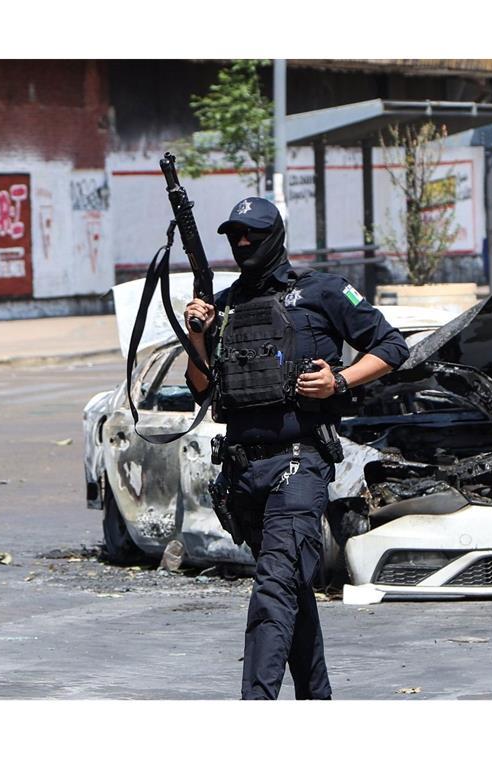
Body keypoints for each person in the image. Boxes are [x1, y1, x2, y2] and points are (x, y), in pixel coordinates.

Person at [183, 197, 409, 700]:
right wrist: (197, 337)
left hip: (298, 464)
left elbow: (393, 346)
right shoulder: (225, 305)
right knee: (290, 594)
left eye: (251, 234)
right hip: (243, 477)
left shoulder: (323, 290)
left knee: (273, 591)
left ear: (275, 235)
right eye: (233, 235)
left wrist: (341, 382)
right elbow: (201, 388)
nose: (242, 244)